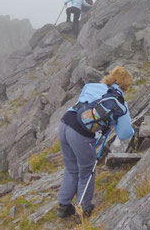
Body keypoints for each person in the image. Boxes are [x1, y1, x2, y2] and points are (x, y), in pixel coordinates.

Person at [56, 66, 135, 218]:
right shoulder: (120, 103)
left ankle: (63, 206)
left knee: (71, 168)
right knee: (87, 171)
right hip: (80, 133)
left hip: (65, 122)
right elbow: (124, 134)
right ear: (126, 86)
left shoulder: (92, 86)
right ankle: (83, 209)